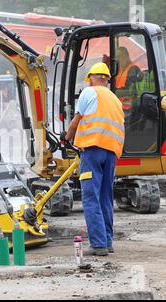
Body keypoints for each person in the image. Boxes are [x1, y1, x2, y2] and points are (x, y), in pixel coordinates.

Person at [64, 62, 125, 256]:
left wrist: (66, 138)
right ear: (107, 80)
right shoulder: (116, 100)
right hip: (111, 153)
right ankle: (107, 241)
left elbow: (75, 121)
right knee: (105, 197)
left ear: (91, 78)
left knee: (91, 197)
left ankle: (98, 245)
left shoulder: (89, 93)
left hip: (92, 151)